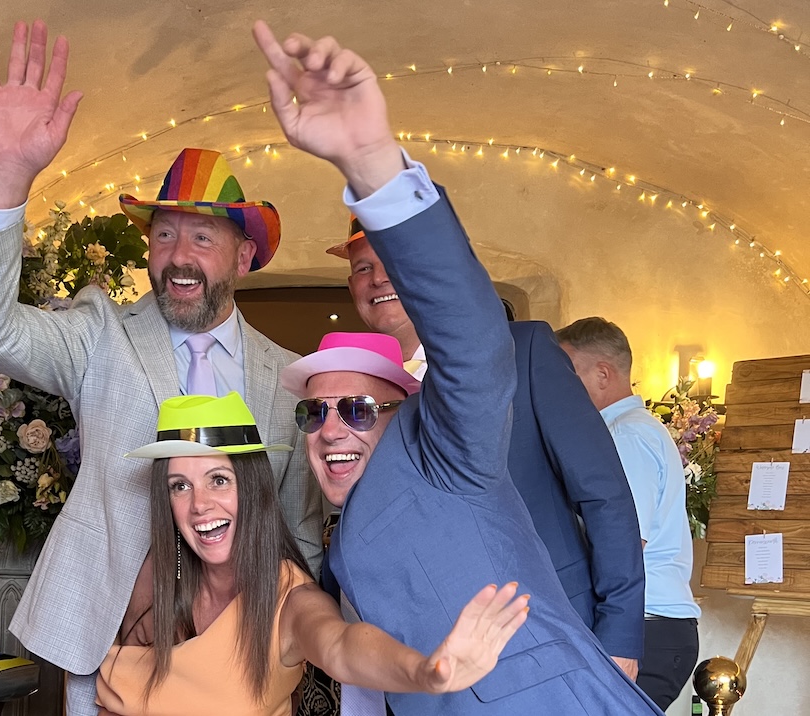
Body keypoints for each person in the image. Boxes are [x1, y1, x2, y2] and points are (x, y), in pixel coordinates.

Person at [253, 21, 663, 713]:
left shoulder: (445, 454)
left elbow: (472, 341)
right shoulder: (344, 542)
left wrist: (373, 163)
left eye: (356, 408)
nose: (329, 427)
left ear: (402, 412)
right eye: (312, 412)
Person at [0, 21, 322, 715]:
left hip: (241, 656)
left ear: (243, 258)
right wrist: (4, 178)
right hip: (112, 639)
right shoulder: (101, 334)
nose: (178, 255)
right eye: (164, 234)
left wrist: (300, 648)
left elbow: (296, 531)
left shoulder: (289, 376)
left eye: (203, 236)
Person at [327, 218, 645, 677]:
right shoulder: (355, 393)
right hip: (425, 657)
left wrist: (619, 636)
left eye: (392, 260)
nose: (377, 278)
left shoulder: (525, 351)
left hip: (551, 633)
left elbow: (605, 496)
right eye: (362, 268)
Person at [97, 392, 529, 716]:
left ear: (253, 490)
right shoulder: (156, 577)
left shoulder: (290, 600)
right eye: (180, 486)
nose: (199, 505)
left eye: (219, 480)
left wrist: (423, 671)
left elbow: (341, 646)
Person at [556, 317, 701, 711]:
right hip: (650, 624)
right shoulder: (636, 428)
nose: (559, 387)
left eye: (568, 373)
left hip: (643, 626)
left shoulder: (625, 435)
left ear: (603, 373)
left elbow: (624, 542)